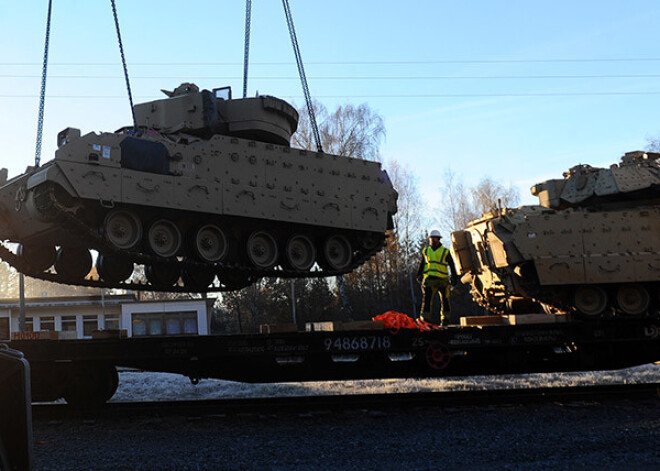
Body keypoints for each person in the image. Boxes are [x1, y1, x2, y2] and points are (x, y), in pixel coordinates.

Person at [416, 230, 457, 326]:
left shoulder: (445, 252)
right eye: (431, 238)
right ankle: (425, 319)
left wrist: (454, 277)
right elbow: (422, 263)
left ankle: (445, 319)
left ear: (438, 239)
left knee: (445, 300)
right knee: (427, 299)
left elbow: (451, 265)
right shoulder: (426, 251)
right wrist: (419, 274)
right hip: (429, 279)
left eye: (434, 238)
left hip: (443, 280)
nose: (432, 240)